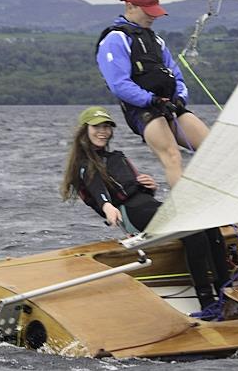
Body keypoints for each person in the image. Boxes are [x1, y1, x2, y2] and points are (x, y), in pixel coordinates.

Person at [60, 106, 229, 309]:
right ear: (84, 130)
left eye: (106, 127)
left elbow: (132, 189)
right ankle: (207, 302)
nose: (102, 131)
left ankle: (225, 289)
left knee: (209, 225)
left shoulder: (116, 157)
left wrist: (149, 186)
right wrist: (107, 206)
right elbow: (97, 188)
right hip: (130, 214)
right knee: (193, 233)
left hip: (147, 206)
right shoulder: (83, 164)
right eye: (97, 127)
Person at [95, 0, 209, 187]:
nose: (153, 16)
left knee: (213, 148)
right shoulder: (115, 39)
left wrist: (181, 99)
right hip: (143, 111)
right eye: (148, 12)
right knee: (173, 156)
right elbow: (119, 84)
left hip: (170, 106)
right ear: (130, 7)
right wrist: (152, 100)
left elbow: (176, 75)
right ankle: (183, 214)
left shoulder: (156, 41)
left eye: (155, 12)